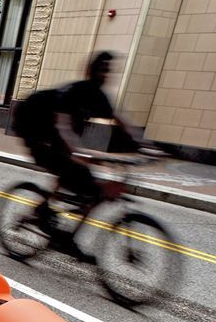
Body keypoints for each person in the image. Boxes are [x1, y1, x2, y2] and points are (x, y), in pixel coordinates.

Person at [12, 51, 140, 261]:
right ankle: (52, 225)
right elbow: (63, 127)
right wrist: (79, 152)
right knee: (71, 170)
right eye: (101, 69)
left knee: (89, 189)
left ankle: (62, 231)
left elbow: (120, 120)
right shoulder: (73, 92)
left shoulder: (99, 96)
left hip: (56, 139)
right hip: (35, 130)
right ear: (90, 70)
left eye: (108, 70)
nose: (105, 74)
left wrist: (147, 146)